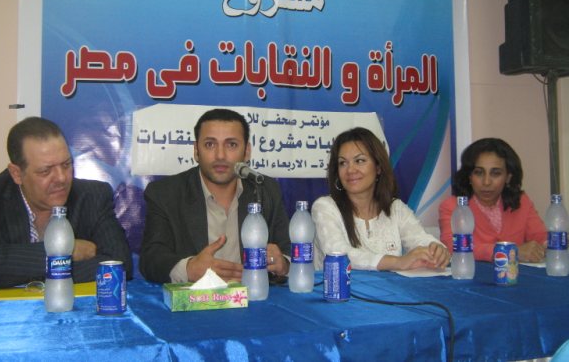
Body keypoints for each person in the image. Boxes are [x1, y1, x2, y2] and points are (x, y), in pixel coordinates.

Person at [0, 117, 133, 292]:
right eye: (45, 171)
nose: (61, 178)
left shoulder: (92, 196)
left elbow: (119, 265)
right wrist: (62, 252)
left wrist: (34, 272)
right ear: (16, 174)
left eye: (66, 165)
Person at [139, 108, 291, 283]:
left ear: (247, 152)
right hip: (197, 299)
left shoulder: (265, 190)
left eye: (231, 144)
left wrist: (284, 264)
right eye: (210, 144)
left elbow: (288, 251)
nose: (220, 155)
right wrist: (188, 269)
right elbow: (151, 258)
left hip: (254, 297)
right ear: (196, 151)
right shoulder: (165, 194)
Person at [311, 127, 449, 271]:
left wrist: (437, 250)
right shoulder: (325, 207)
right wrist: (398, 262)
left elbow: (420, 239)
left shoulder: (395, 208)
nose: (350, 170)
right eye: (342, 163)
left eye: (359, 161)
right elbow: (337, 253)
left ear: (378, 167)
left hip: (391, 286)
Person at [438, 137, 547, 262]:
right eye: (479, 173)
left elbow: (541, 238)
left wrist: (546, 246)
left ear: (508, 177)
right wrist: (509, 251)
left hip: (514, 274)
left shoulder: (521, 202)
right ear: (469, 176)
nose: (486, 182)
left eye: (495, 173)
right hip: (472, 273)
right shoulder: (452, 206)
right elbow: (452, 247)